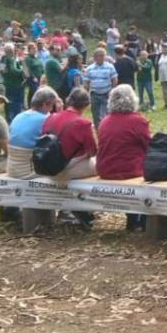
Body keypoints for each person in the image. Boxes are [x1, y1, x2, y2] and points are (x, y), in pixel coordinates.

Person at [95, 85, 151, 231]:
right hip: (129, 170)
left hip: (105, 168)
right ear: (133, 100)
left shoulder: (104, 121)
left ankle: (133, 219)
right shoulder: (138, 121)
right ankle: (139, 220)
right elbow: (148, 146)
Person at [42, 88, 100, 229]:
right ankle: (82, 208)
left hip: (47, 168)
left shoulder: (51, 117)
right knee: (99, 165)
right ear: (87, 105)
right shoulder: (83, 123)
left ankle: (73, 208)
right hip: (64, 170)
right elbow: (92, 151)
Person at [9, 86, 58, 179]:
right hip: (28, 171)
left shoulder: (19, 116)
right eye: (52, 105)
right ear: (44, 104)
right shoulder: (46, 119)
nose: (52, 109)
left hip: (12, 167)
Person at [84, 49, 118, 130]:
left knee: (106, 112)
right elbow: (87, 82)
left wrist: (112, 90)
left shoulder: (110, 67)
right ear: (95, 57)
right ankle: (97, 128)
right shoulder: (89, 68)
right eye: (100, 56)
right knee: (95, 113)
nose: (102, 57)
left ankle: (107, 128)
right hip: (94, 93)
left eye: (103, 56)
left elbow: (114, 79)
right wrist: (86, 93)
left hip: (106, 93)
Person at [0, 43, 26, 121]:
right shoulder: (10, 59)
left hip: (9, 83)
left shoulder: (3, 58)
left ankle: (8, 117)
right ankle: (15, 118)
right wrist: (22, 71)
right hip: (14, 84)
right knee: (15, 102)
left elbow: (1, 70)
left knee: (8, 101)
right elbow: (14, 71)